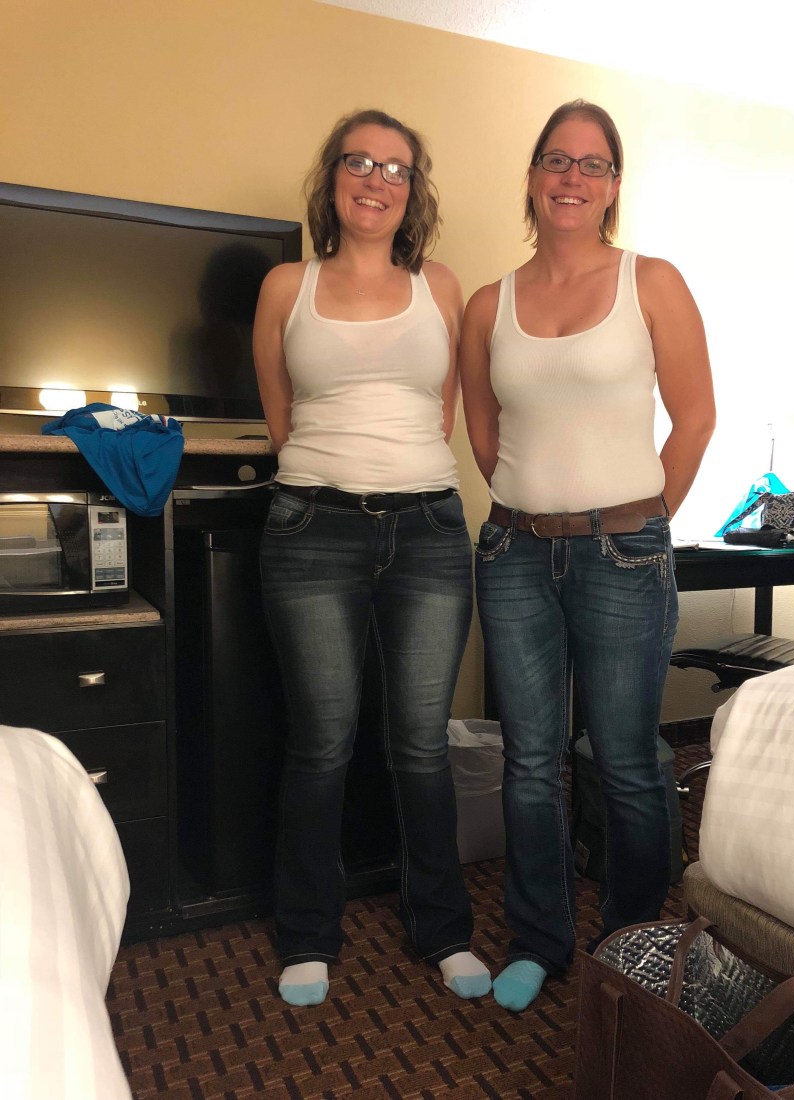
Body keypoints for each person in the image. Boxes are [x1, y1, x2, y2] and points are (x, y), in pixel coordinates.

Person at [460, 99, 715, 1012]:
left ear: (612, 186)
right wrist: (534, 506)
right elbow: (483, 432)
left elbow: (695, 418)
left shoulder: (652, 282)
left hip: (624, 553)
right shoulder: (487, 305)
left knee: (626, 759)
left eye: (592, 164)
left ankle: (631, 943)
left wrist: (641, 518)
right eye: (556, 160)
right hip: (515, 553)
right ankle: (540, 939)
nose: (572, 177)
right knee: (529, 762)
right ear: (532, 176)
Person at [253, 108, 490, 1007]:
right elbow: (281, 416)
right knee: (321, 743)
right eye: (359, 161)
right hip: (312, 528)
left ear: (412, 190)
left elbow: (445, 411)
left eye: (396, 168)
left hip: (427, 530)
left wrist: (395, 479)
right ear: (332, 177)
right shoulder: (286, 286)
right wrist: (334, 482)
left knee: (420, 746)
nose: (376, 179)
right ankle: (308, 935)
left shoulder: (442, 287)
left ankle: (444, 930)